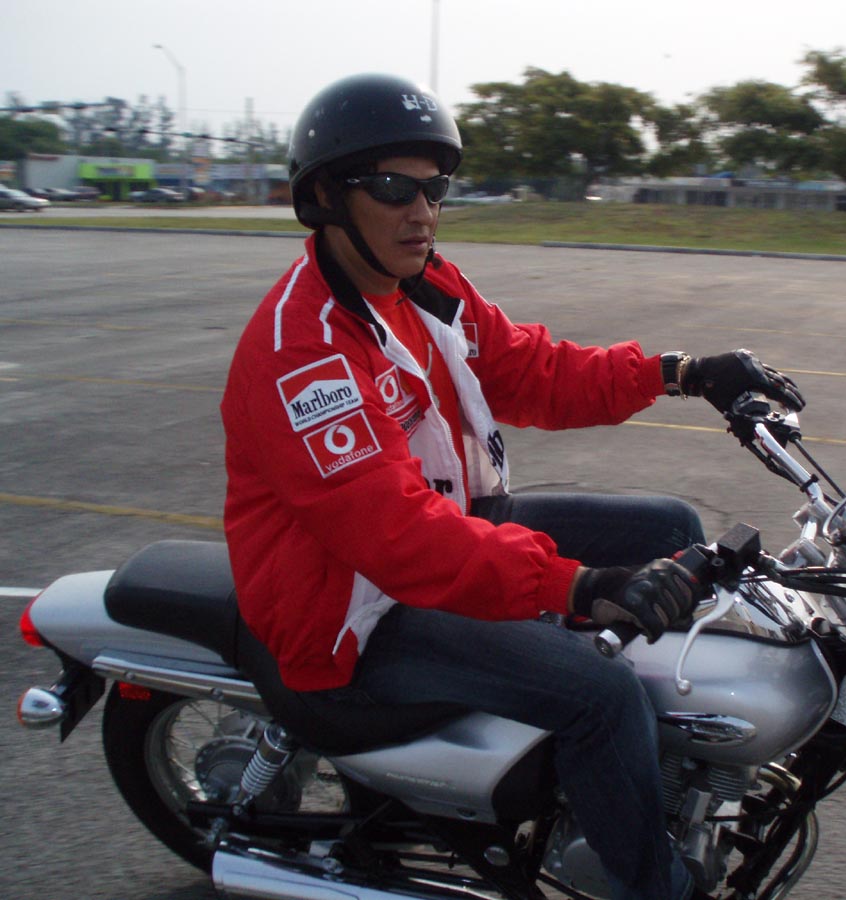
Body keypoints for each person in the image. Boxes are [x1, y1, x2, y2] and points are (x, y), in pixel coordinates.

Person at [220, 73, 804, 900]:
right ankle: (655, 882)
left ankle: (639, 779)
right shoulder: (302, 353)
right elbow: (396, 536)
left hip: (442, 525)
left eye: (435, 189)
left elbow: (533, 371)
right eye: (393, 189)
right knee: (601, 696)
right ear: (323, 197)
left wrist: (682, 372)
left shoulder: (423, 285)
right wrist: (583, 586)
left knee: (671, 528)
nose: (423, 212)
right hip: (352, 606)